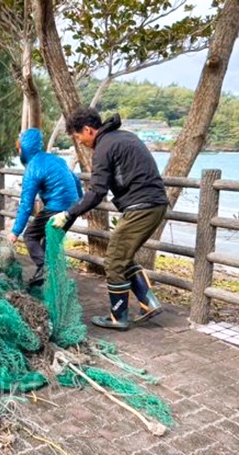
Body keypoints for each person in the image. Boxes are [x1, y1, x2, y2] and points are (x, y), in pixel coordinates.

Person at [52, 107, 168, 330]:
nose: (81, 142)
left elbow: (97, 192)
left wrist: (68, 213)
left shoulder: (104, 147)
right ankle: (148, 302)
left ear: (88, 130)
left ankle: (119, 317)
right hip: (154, 205)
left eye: (78, 137)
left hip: (142, 207)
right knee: (122, 255)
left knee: (114, 260)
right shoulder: (124, 137)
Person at [7, 128, 83, 286]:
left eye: (19, 148)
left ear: (23, 149)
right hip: (73, 209)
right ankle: (43, 277)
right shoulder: (56, 159)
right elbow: (75, 180)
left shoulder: (33, 168)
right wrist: (81, 202)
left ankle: (46, 270)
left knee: (30, 236)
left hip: (56, 208)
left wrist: (15, 232)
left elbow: (26, 205)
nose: (18, 151)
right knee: (48, 243)